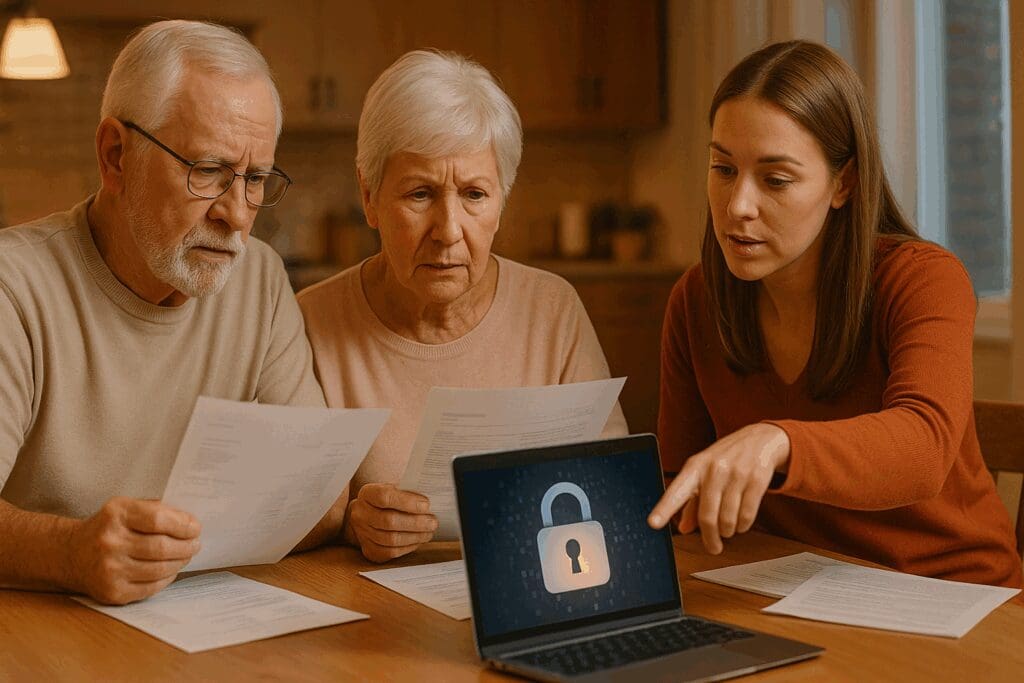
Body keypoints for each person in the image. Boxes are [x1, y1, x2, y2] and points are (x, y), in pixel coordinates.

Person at [648, 40, 1021, 587]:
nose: (737, 206)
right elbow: (680, 486)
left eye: (775, 180)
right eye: (723, 169)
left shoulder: (923, 278)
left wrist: (778, 441)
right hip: (793, 589)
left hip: (951, 597)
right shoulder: (697, 299)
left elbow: (923, 448)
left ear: (843, 183)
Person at [0, 20, 337, 606]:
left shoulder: (257, 278)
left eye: (254, 179)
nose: (236, 215)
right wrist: (67, 550)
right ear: (115, 155)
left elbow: (320, 499)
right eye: (208, 170)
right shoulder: (14, 287)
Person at [298, 50, 628, 563]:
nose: (449, 231)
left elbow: (611, 488)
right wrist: (352, 524)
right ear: (369, 198)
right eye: (420, 194)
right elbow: (296, 511)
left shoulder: (553, 309)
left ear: (503, 201)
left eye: (475, 194)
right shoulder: (310, 323)